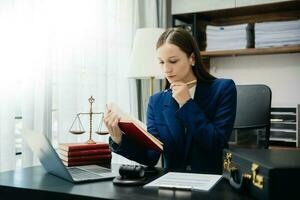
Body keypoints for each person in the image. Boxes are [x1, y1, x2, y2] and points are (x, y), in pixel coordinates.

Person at [104, 28, 237, 174]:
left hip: (213, 182)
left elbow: (216, 143)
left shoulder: (223, 89)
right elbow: (151, 156)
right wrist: (119, 139)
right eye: (161, 62)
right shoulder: (156, 102)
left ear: (192, 58)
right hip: (172, 185)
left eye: (173, 61)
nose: (166, 69)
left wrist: (186, 104)